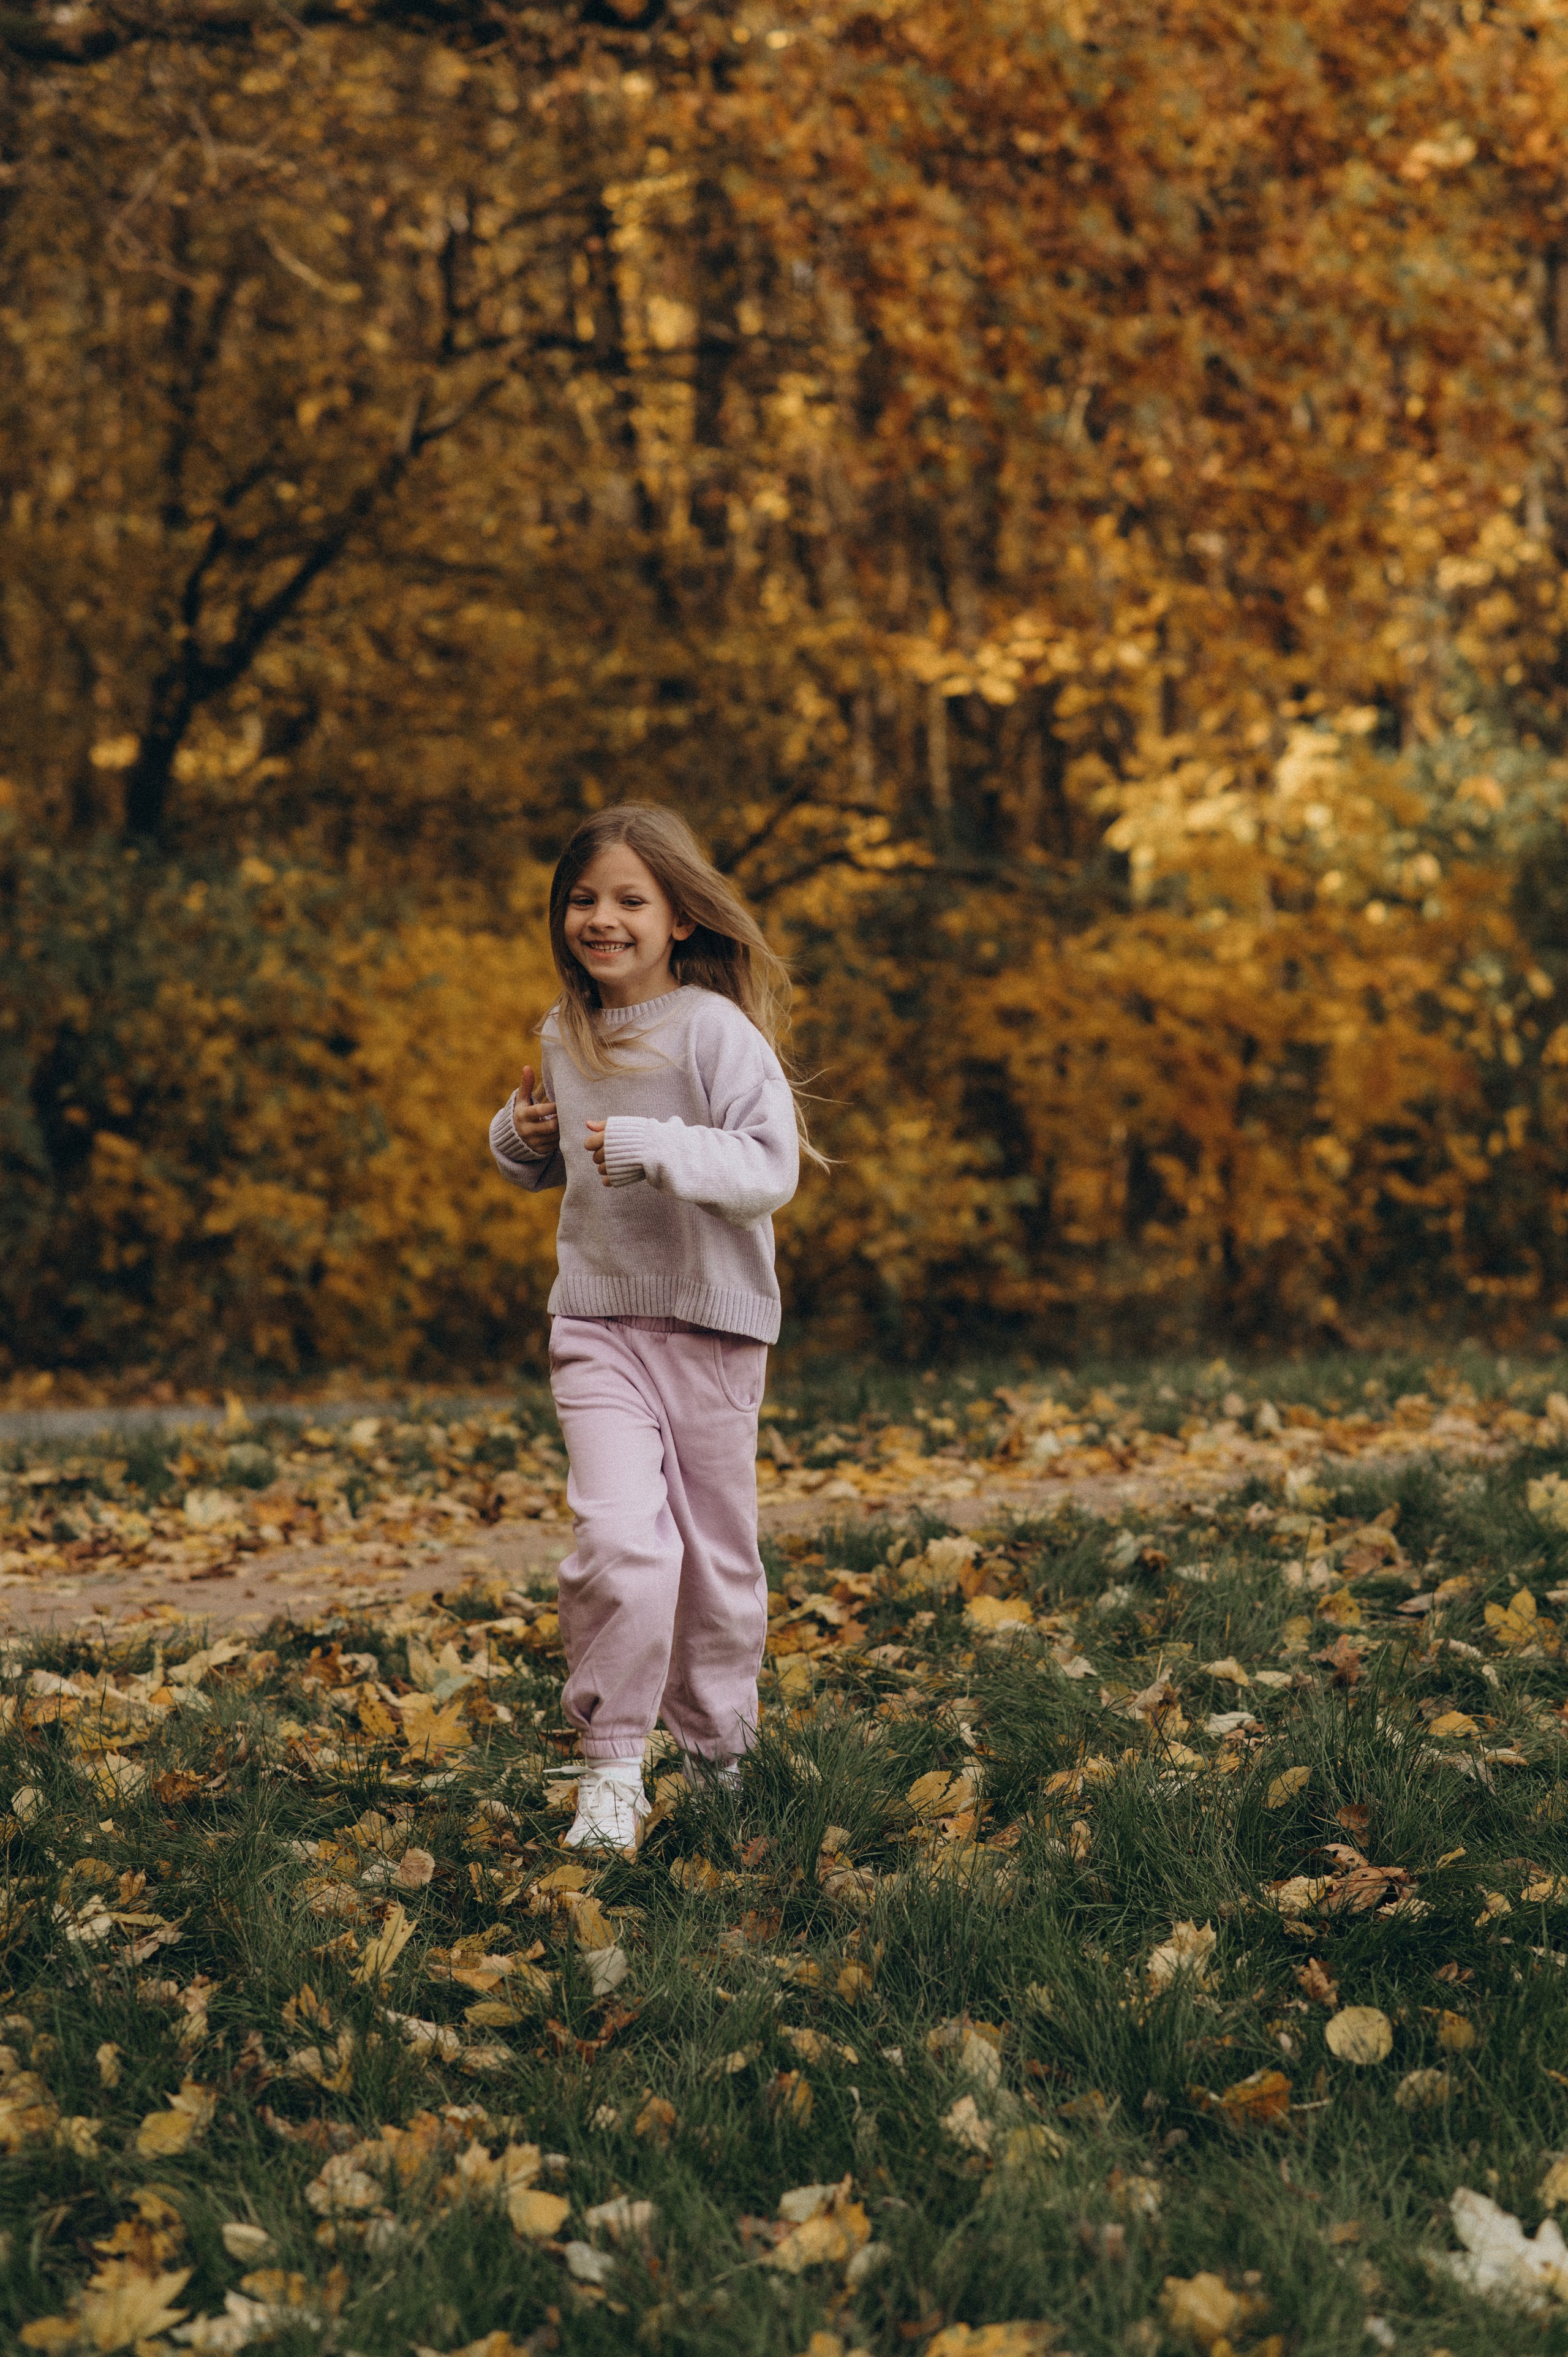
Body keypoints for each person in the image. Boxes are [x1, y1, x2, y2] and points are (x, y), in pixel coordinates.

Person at [488, 805, 813, 1852]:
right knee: (622, 1540)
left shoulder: (717, 1031)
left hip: (715, 1329)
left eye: (631, 899)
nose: (603, 918)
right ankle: (613, 1770)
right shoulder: (563, 1031)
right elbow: (567, 1166)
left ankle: (719, 1754)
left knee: (715, 1559)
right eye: (585, 898)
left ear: (679, 917)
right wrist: (519, 1138)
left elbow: (771, 1170)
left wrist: (658, 1145)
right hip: (597, 1323)